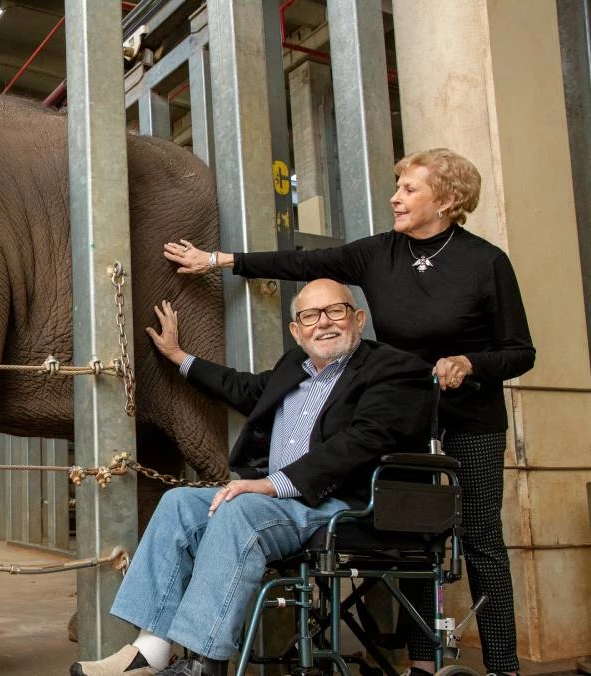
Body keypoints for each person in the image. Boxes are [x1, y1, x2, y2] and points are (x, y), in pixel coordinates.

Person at [164, 148, 533, 676]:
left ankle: (504, 665)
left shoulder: (485, 262)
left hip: (468, 417)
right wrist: (219, 261)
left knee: (479, 535)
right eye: (397, 187)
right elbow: (303, 264)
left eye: (409, 188)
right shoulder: (379, 254)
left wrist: (470, 362)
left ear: (447, 199)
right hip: (401, 410)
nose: (395, 197)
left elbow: (522, 351)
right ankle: (423, 664)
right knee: (412, 533)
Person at [70, 279, 434, 676]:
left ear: (358, 318)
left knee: (238, 509)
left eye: (336, 311)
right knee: (177, 503)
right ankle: (151, 651)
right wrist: (179, 357)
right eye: (310, 316)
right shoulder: (293, 366)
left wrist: (270, 484)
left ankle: (203, 662)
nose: (324, 323)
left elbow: (363, 440)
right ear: (296, 330)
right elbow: (243, 387)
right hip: (276, 502)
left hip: (338, 504)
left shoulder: (394, 368)